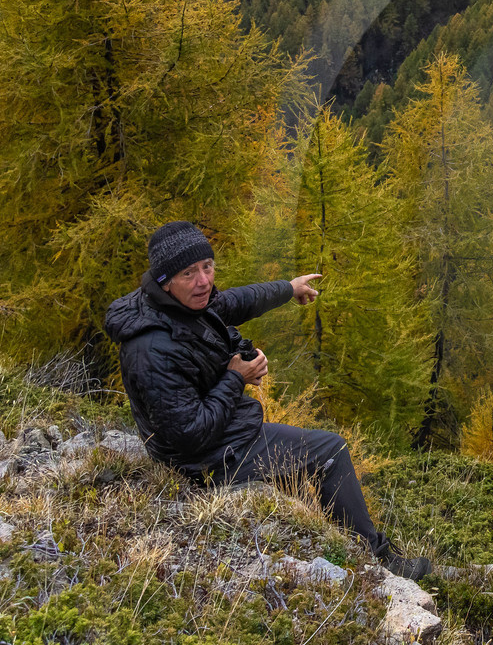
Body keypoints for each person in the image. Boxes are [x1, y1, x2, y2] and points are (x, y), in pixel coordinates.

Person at [105, 220, 431, 578]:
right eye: (189, 272)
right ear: (166, 279)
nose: (204, 281)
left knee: (305, 479)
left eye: (207, 267)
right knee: (330, 451)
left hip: (222, 432)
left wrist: (288, 289)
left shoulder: (178, 305)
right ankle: (380, 563)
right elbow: (187, 434)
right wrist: (235, 378)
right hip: (202, 458)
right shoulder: (153, 348)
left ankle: (346, 544)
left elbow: (233, 301)